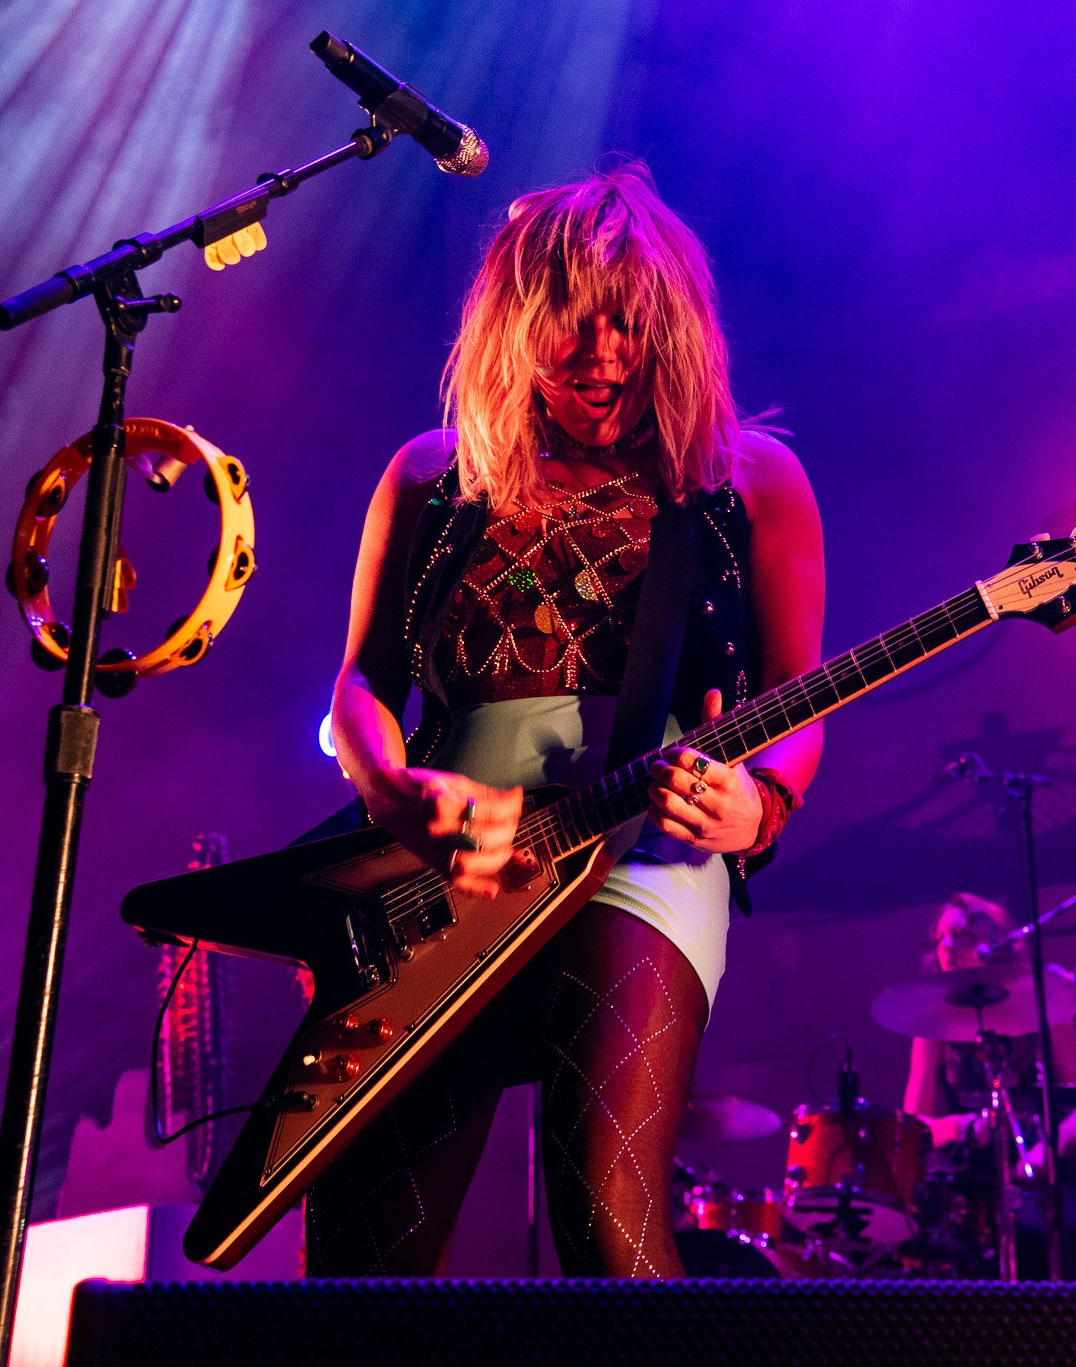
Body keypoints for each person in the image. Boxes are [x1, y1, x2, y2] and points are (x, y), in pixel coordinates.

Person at [308, 164, 825, 1278]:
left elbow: (799, 699)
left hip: (645, 852)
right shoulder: (432, 477)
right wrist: (400, 795)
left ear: (674, 325)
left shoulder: (749, 484)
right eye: (568, 322)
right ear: (511, 324)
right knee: (362, 1252)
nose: (600, 354)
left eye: (629, 324)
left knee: (605, 1202)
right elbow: (356, 693)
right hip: (438, 874)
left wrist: (755, 803)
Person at [901, 892, 1076, 1272]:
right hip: (967, 1189)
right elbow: (913, 1129)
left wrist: (1043, 1157)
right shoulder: (932, 1023)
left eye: (959, 935)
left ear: (994, 943)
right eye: (939, 938)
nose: (946, 947)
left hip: (1039, 1177)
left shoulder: (1046, 1008)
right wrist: (957, 1127)